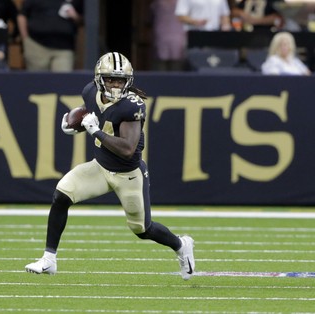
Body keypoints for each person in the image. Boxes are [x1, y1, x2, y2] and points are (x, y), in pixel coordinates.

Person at [24, 52, 196, 281]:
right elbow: (91, 112)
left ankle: (181, 245)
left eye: (120, 80)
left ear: (128, 82)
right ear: (99, 79)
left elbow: (127, 148)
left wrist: (94, 130)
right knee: (62, 195)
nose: (115, 84)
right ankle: (49, 259)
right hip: (100, 167)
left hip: (129, 175)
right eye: (111, 79)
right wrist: (75, 124)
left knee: (142, 229)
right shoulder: (90, 92)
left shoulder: (132, 106)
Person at [17, 0, 84, 72]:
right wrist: (25, 39)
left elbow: (86, 19)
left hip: (64, 47)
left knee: (62, 80)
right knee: (38, 81)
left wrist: (75, 16)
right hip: (36, 45)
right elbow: (22, 16)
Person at [151, 0, 187, 71]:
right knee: (176, 68)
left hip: (163, 37)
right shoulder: (182, 3)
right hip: (177, 38)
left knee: (161, 66)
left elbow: (151, 16)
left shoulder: (158, 3)